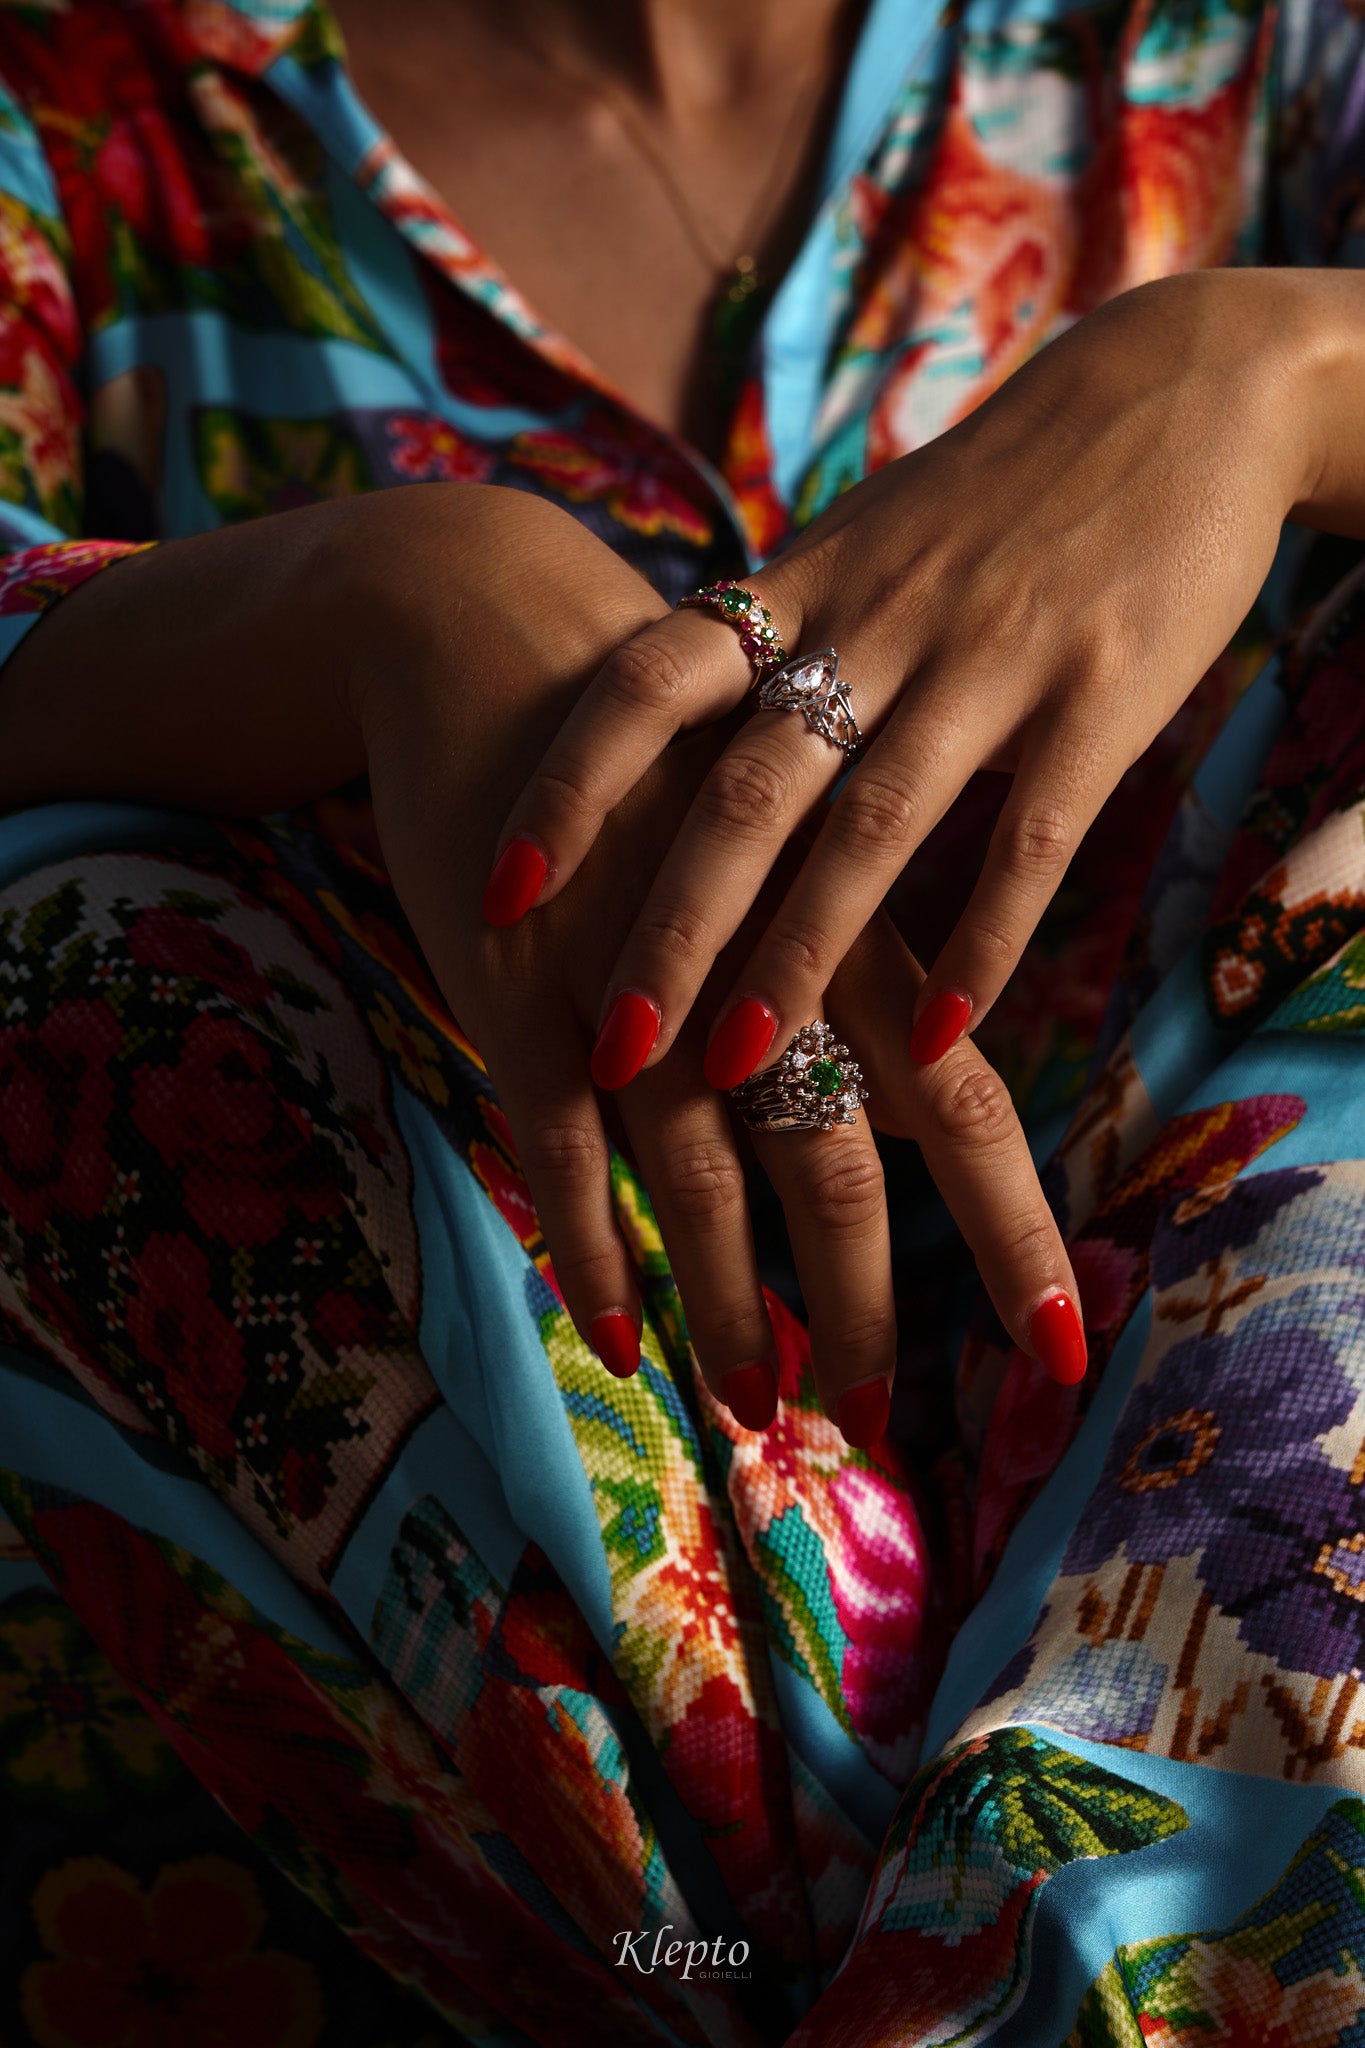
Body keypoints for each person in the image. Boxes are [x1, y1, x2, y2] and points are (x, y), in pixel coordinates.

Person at [0, 0, 1364, 2040]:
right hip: (566, 1644)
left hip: (1212, 1384)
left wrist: (1275, 370)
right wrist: (371, 601)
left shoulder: (1208, 48)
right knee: (74, 937)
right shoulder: (110, 91)